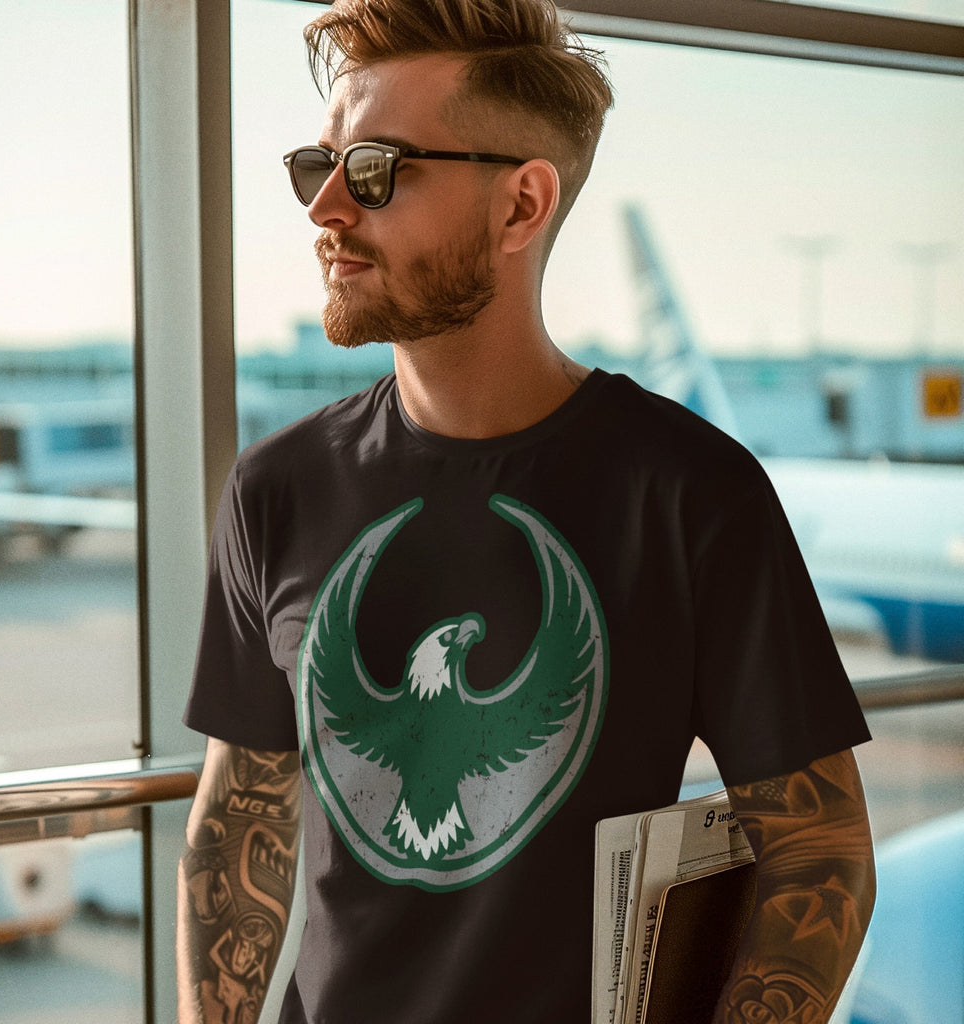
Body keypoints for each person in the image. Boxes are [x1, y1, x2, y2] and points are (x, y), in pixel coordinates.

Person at [177, 1, 876, 1021]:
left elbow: (820, 852)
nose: (325, 207)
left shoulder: (691, 493)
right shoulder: (276, 487)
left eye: (373, 168)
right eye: (313, 166)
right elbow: (239, 822)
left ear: (520, 207)